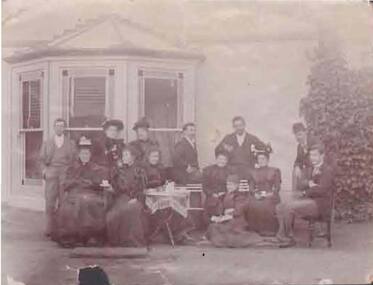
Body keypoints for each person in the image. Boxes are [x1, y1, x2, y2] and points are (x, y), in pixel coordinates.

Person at [274, 143, 334, 247]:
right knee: (280, 206)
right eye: (311, 155)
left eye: (315, 155)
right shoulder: (310, 169)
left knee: (289, 207)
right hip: (308, 201)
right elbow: (300, 184)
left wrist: (308, 190)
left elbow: (322, 190)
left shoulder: (327, 170)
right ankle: (286, 235)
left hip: (320, 205)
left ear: (322, 156)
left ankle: (286, 238)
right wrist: (309, 184)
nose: (312, 158)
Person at [56, 137, 109, 247]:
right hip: (74, 194)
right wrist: (76, 181)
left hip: (90, 194)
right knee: (67, 209)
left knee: (87, 204)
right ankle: (72, 238)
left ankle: (91, 236)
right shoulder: (72, 168)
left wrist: (89, 183)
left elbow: (100, 184)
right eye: (83, 154)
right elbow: (66, 184)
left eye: (87, 154)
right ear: (78, 155)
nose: (85, 156)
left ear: (90, 155)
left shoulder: (96, 168)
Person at [143, 148, 193, 245]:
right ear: (148, 157)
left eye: (157, 156)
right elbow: (144, 183)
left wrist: (166, 183)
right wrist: (156, 185)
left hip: (161, 194)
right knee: (168, 206)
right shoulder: (144, 169)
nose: (155, 159)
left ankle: (180, 234)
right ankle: (172, 234)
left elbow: (165, 180)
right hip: (149, 196)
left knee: (175, 204)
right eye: (153, 156)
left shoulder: (161, 167)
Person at [40, 118, 77, 238]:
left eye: (61, 126)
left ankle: (62, 228)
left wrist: (71, 174)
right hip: (51, 172)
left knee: (63, 201)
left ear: (64, 128)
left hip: (65, 174)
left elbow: (74, 160)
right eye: (57, 126)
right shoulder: (47, 142)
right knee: (50, 202)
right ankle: (49, 228)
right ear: (54, 127)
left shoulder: (70, 143)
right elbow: (41, 159)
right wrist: (44, 171)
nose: (59, 128)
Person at [205, 174, 264, 248]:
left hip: (237, 220)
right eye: (228, 184)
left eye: (232, 185)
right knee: (213, 226)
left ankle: (230, 240)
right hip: (226, 218)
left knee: (226, 229)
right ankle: (222, 240)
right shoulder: (224, 195)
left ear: (237, 185)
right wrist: (220, 216)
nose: (229, 186)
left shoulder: (241, 196)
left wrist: (227, 214)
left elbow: (238, 211)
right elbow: (221, 208)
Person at [106, 146, 148, 247]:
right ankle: (117, 242)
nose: (123, 157)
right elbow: (117, 188)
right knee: (111, 216)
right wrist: (111, 189)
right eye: (123, 155)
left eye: (126, 155)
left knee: (129, 210)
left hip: (136, 199)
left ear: (133, 157)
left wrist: (136, 199)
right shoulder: (120, 170)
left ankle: (131, 241)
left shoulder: (140, 171)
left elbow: (143, 188)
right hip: (122, 198)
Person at [245, 150, 281, 236]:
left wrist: (270, 194)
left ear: (267, 160)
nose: (261, 161)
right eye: (259, 159)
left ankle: (269, 231)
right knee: (252, 203)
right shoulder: (253, 172)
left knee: (267, 204)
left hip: (271, 195)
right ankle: (255, 230)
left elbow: (277, 186)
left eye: (263, 159)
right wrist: (255, 193)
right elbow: (251, 186)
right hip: (258, 194)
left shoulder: (275, 170)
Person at [202, 150, 233, 223]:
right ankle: (214, 221)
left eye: (224, 159)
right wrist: (212, 194)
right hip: (212, 195)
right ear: (216, 159)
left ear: (227, 161)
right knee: (213, 203)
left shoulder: (230, 171)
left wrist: (225, 193)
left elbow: (232, 185)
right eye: (220, 159)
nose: (222, 161)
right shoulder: (208, 170)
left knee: (225, 202)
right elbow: (205, 186)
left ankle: (222, 221)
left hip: (225, 195)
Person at [292, 122, 311, 192]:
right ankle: (296, 195)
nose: (298, 137)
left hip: (316, 170)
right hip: (308, 171)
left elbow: (317, 159)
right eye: (296, 135)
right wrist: (297, 167)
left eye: (300, 134)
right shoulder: (299, 146)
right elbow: (298, 160)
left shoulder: (313, 142)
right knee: (295, 172)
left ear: (305, 132)